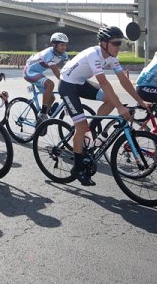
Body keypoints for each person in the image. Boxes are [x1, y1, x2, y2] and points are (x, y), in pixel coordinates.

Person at [58, 25, 150, 186]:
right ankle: (77, 168)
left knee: (109, 100)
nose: (119, 47)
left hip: (80, 82)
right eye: (116, 43)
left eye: (120, 43)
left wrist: (141, 101)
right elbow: (104, 83)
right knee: (81, 126)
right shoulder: (93, 54)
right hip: (67, 84)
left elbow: (123, 80)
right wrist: (120, 107)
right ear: (104, 43)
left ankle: (91, 131)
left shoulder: (111, 56)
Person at [22, 32, 71, 120]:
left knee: (51, 98)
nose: (64, 47)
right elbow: (56, 73)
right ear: (54, 45)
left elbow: (70, 68)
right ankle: (43, 113)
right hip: (29, 72)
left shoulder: (63, 54)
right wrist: (67, 84)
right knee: (50, 84)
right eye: (62, 45)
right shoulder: (49, 53)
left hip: (37, 73)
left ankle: (42, 120)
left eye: (65, 45)